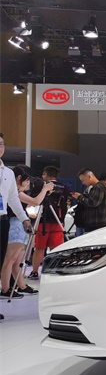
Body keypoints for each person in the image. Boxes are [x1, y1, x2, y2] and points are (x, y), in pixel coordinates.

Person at [1, 166, 52, 298]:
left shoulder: (18, 192)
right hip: (15, 225)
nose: (28, 182)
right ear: (19, 178)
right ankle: (5, 289)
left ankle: (20, 286)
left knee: (16, 261)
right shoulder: (16, 192)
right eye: (27, 179)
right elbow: (36, 201)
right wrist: (45, 189)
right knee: (9, 259)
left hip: (21, 224)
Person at [0, 134, 33, 313]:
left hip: (3, 221)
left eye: (2, 144)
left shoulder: (8, 172)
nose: (0, 147)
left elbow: (13, 198)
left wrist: (24, 219)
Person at [28, 166, 71, 281]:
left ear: (46, 174)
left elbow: (33, 200)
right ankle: (55, 270)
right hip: (58, 221)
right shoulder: (64, 187)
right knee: (56, 249)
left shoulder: (41, 185)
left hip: (43, 221)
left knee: (39, 248)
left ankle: (35, 272)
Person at [75, 169, 106, 233]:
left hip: (97, 226)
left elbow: (92, 203)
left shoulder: (99, 187)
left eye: (83, 180)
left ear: (89, 176)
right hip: (97, 224)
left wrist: (80, 197)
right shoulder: (97, 187)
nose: (83, 183)